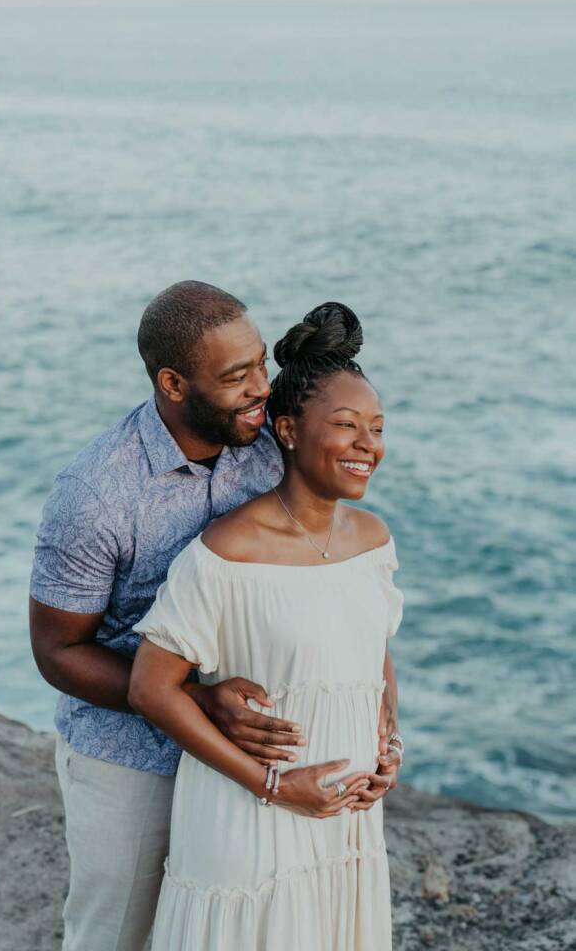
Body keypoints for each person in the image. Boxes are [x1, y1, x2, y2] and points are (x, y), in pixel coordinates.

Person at [30, 281, 393, 951]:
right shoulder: (95, 494)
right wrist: (194, 699)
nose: (262, 386)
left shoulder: (266, 444)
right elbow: (57, 652)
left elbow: (335, 569)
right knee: (118, 935)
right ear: (172, 383)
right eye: (237, 376)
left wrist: (379, 730)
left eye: (260, 363)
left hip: (246, 758)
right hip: (129, 757)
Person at [130, 301, 405, 950]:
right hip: (247, 814)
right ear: (286, 429)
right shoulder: (226, 552)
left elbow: (374, 652)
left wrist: (388, 743)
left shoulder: (373, 539)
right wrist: (277, 786)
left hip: (343, 815)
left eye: (376, 427)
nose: (369, 444)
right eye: (345, 425)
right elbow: (151, 688)